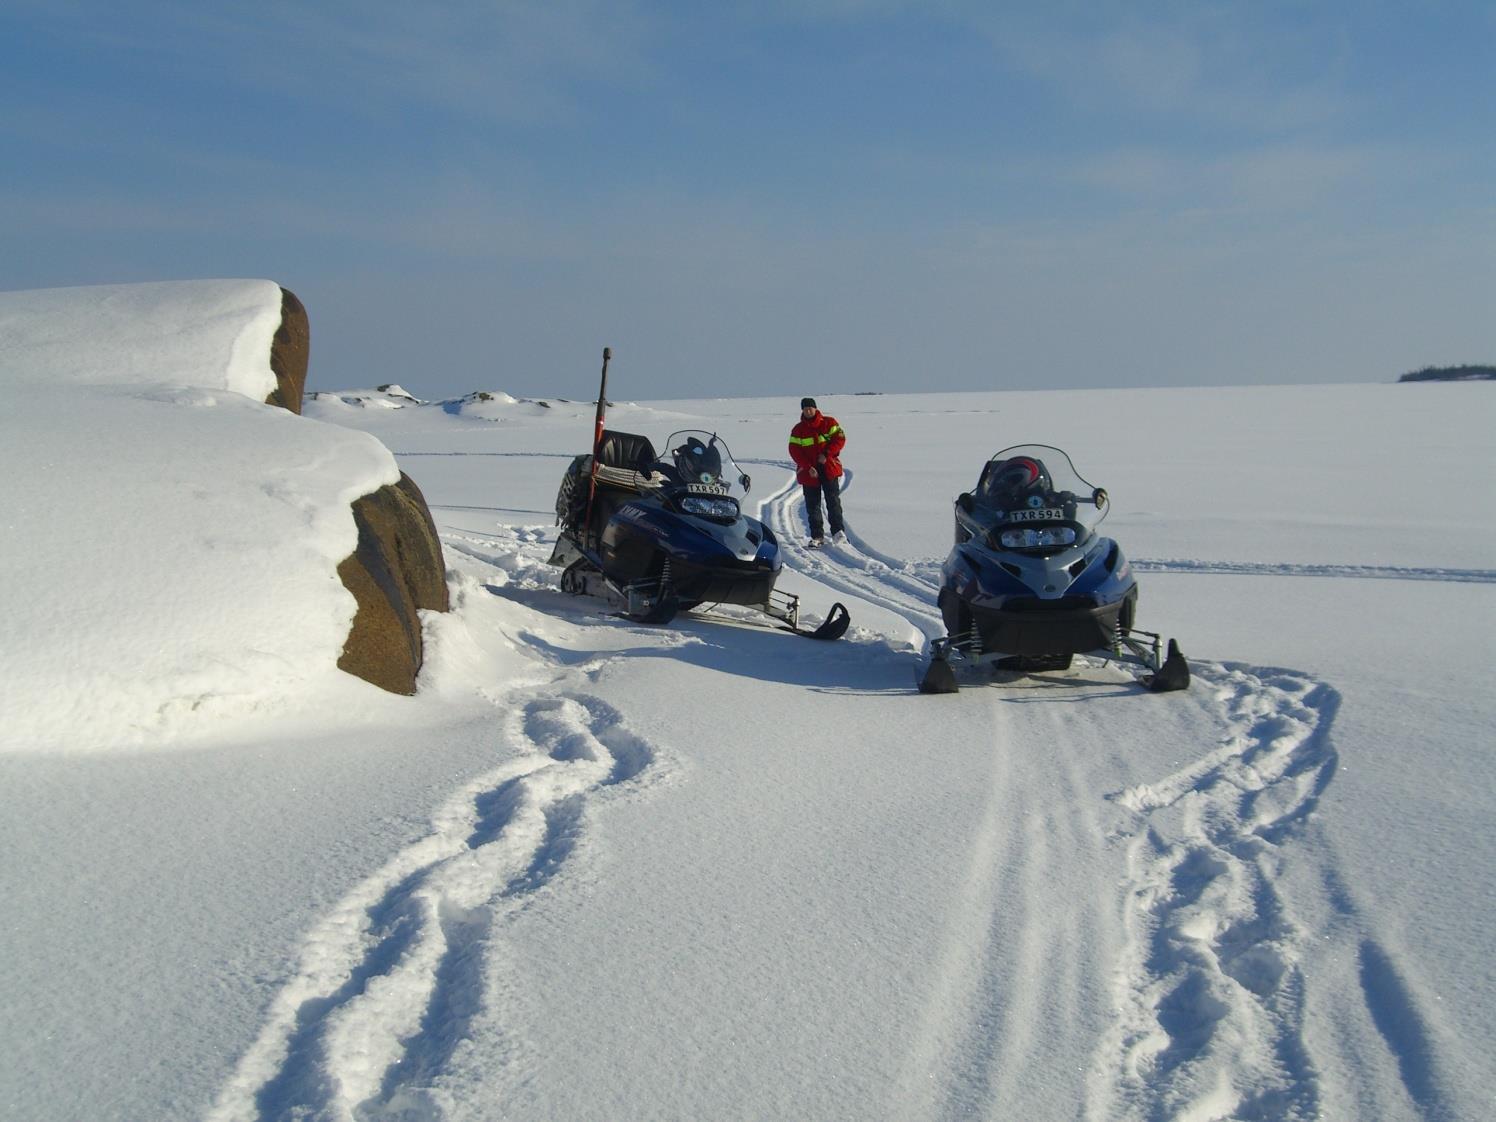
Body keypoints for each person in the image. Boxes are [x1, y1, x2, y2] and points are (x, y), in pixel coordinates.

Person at [788, 397, 846, 546]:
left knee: (833, 502)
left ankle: (838, 532)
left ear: (815, 408)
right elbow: (794, 451)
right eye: (805, 409)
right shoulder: (798, 430)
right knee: (812, 505)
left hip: (828, 468)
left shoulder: (829, 423)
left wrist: (826, 454)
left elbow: (840, 439)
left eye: (810, 408)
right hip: (809, 472)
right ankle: (817, 536)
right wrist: (808, 467)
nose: (808, 411)